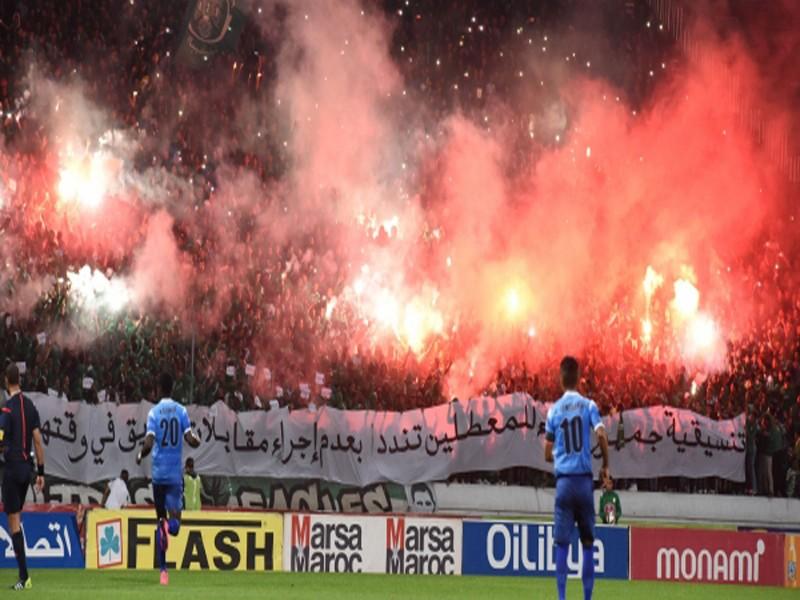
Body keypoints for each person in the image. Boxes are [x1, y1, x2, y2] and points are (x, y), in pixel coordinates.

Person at [544, 356, 610, 600]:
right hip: (584, 482)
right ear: (579, 377)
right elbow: (601, 435)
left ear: (561, 378)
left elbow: (546, 453)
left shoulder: (553, 411)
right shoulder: (589, 406)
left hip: (564, 484)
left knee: (562, 545)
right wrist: (605, 465)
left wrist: (560, 456)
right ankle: (587, 598)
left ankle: (562, 598)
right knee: (588, 544)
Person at [136, 373, 200, 586]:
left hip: (157, 475)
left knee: (159, 520)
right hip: (173, 475)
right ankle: (168, 527)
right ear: (173, 388)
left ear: (158, 389)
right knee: (175, 525)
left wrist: (140, 454)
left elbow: (149, 441)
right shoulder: (181, 411)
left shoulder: (154, 413)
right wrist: (197, 440)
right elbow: (190, 438)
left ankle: (163, 571)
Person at [0, 363, 45, 591]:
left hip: (11, 469)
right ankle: (24, 574)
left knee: (13, 521)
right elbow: (37, 439)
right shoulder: (30, 406)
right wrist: (41, 472)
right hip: (27, 470)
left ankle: (24, 576)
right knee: (17, 518)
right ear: (20, 380)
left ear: (6, 382)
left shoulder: (7, 409)